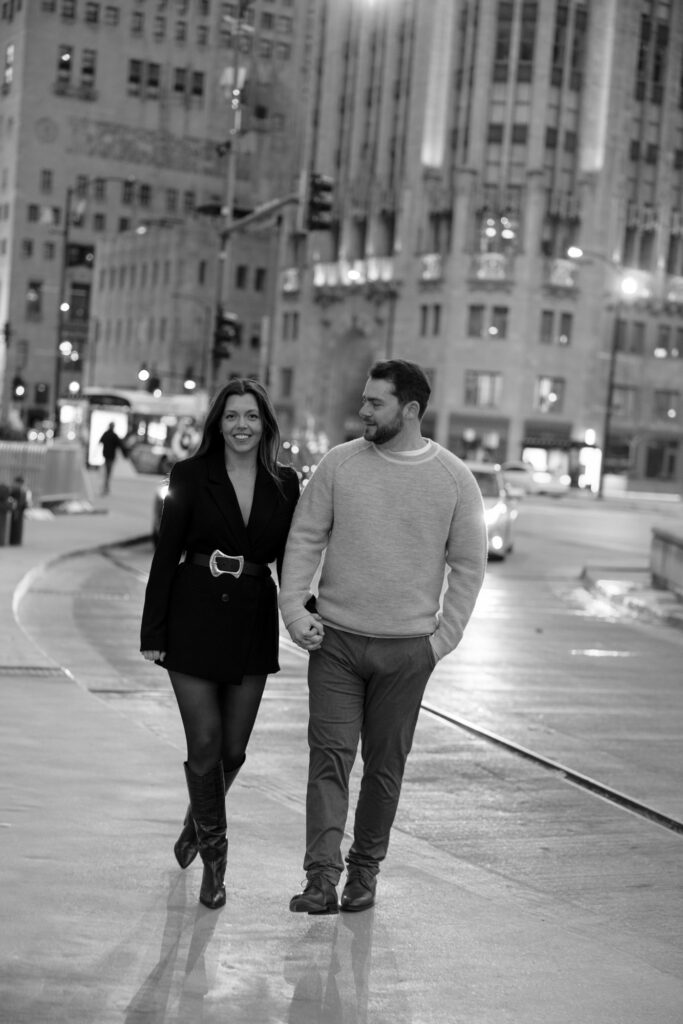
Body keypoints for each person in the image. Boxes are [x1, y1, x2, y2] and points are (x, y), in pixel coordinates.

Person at [279, 359, 487, 915]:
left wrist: (441, 642)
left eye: (376, 403)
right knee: (329, 759)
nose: (364, 410)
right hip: (337, 644)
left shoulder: (453, 479)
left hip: (407, 652)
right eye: (364, 400)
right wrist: (296, 611)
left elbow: (469, 564)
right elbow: (303, 539)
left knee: (384, 769)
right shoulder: (339, 464)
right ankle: (321, 877)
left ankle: (364, 872)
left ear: (411, 410)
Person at [140, 379, 300, 910]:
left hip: (252, 621)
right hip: (192, 618)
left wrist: (308, 605)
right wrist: (154, 633)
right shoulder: (189, 475)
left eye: (251, 416)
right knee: (205, 745)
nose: (241, 426)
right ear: (218, 423)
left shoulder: (285, 483)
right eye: (231, 416)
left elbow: (295, 557)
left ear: (265, 425)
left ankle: (195, 822)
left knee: (233, 749)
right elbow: (165, 556)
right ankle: (215, 864)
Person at [99, 421, 126, 495]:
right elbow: (120, 445)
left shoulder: (106, 434)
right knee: (108, 472)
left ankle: (106, 486)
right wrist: (125, 454)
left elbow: (100, 441)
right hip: (110, 456)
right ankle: (106, 486)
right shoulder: (114, 435)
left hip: (106, 456)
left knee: (107, 471)